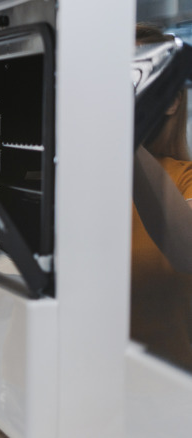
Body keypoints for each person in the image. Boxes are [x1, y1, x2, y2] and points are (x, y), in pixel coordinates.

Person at [130, 24, 192, 372]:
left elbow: (188, 249)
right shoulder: (69, 179)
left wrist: (125, 137)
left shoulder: (185, 177)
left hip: (161, 399)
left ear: (171, 100)